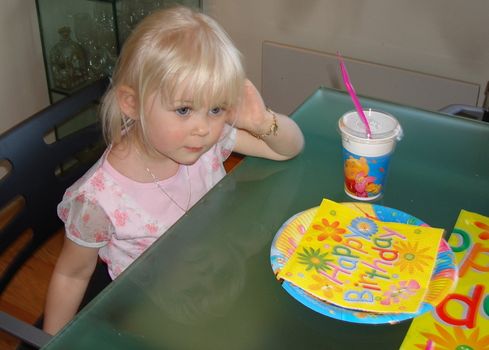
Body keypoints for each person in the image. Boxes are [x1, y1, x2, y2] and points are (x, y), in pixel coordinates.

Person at [43, 6, 304, 335]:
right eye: (184, 109)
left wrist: (263, 121)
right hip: (147, 311)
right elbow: (71, 276)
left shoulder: (205, 142)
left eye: (216, 108)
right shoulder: (97, 204)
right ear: (131, 103)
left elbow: (288, 149)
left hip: (219, 275)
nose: (204, 128)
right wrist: (50, 343)